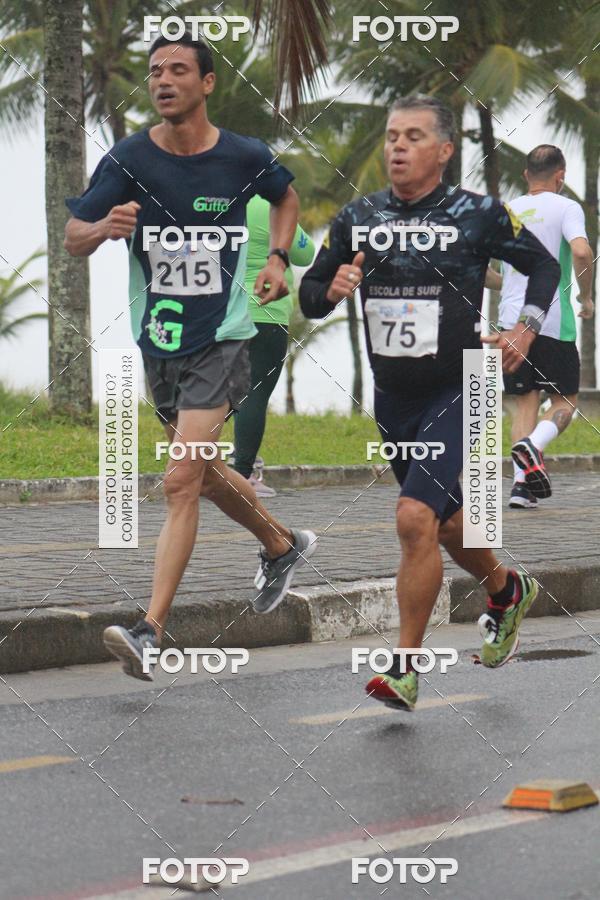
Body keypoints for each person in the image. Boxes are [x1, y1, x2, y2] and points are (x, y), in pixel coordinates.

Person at [64, 32, 316, 680]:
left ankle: (150, 630)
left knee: (179, 480)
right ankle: (281, 545)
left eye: (178, 69)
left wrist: (281, 258)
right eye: (155, 71)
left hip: (225, 335)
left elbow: (286, 197)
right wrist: (102, 228)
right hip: (162, 340)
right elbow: (73, 237)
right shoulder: (127, 159)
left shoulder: (243, 155)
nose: (163, 80)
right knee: (199, 473)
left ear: (207, 84)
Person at [300, 95, 560, 710]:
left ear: (443, 151)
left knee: (413, 518)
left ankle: (404, 667)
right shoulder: (357, 217)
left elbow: (544, 268)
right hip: (394, 397)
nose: (397, 146)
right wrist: (329, 288)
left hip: (461, 382)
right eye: (392, 135)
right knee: (442, 523)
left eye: (413, 136)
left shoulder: (480, 214)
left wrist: (524, 327)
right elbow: (311, 294)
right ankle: (505, 588)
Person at [496, 145, 594, 508]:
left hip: (511, 324)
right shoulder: (567, 207)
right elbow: (582, 252)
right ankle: (533, 446)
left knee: (525, 405)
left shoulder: (508, 210)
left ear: (525, 175)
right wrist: (586, 296)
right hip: (551, 320)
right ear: (561, 176)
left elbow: (497, 274)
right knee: (566, 400)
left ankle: (522, 488)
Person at [232, 195, 315, 497]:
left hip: (222, 313)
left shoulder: (218, 201)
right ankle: (242, 476)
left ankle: (201, 468)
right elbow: (306, 253)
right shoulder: (270, 206)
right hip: (265, 313)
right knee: (253, 393)